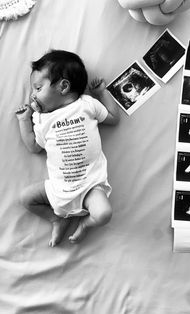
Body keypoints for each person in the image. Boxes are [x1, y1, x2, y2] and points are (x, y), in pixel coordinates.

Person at [16, 50, 119, 247]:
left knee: (104, 214)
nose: (32, 95)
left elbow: (114, 119)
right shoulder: (42, 119)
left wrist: (102, 94)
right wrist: (24, 121)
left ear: (63, 86)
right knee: (26, 198)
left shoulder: (87, 104)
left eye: (38, 88)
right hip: (58, 188)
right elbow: (34, 146)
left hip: (90, 186)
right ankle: (57, 219)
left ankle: (86, 224)